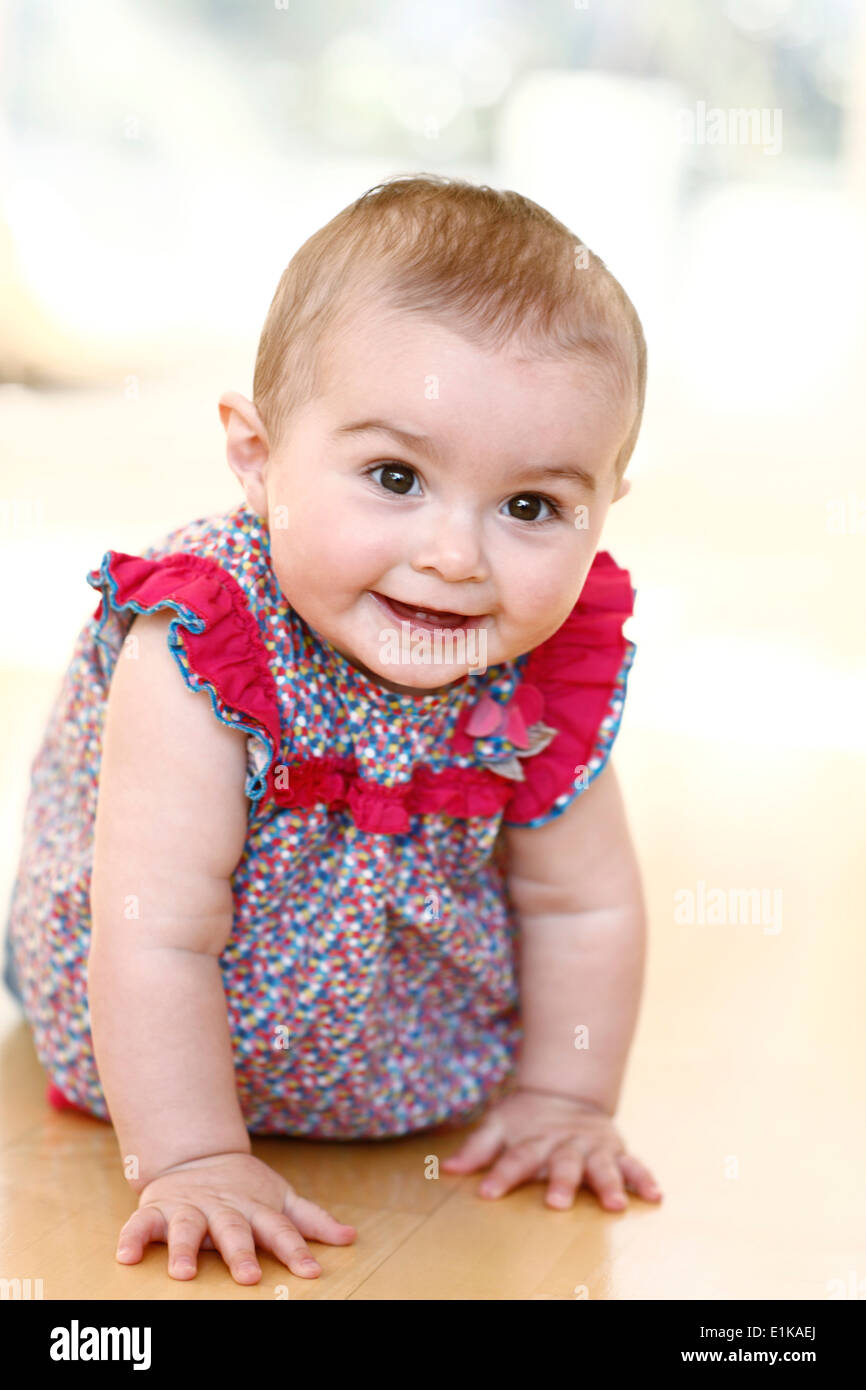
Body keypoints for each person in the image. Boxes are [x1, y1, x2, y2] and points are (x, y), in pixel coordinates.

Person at [3, 173, 662, 1286]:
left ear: (601, 507)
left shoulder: (539, 673)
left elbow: (582, 900)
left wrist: (564, 1097)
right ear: (257, 458)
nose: (455, 555)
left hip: (413, 1058)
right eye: (394, 477)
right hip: (151, 1036)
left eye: (529, 506)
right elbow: (153, 923)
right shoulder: (206, 643)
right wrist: (194, 1157)